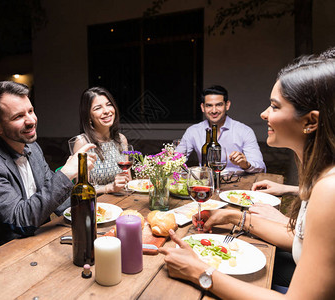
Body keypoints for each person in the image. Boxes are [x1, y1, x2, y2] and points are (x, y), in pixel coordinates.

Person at [159, 49, 335, 298]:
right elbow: (300, 240)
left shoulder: (329, 190)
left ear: (310, 122)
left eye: (274, 106)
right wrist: (234, 218)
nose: (263, 114)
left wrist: (199, 271)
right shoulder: (322, 178)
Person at [0, 81, 96, 261]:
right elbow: (19, 220)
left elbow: (57, 199)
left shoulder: (32, 148)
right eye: (18, 116)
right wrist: (66, 174)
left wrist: (87, 212)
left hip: (35, 240)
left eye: (31, 111)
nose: (31, 120)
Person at [175, 85, 266, 173]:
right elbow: (176, 161)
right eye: (209, 105)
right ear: (203, 107)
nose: (214, 110)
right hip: (205, 182)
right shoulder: (193, 131)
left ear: (227, 105)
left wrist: (245, 164)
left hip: (237, 183)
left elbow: (260, 166)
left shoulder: (244, 131)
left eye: (219, 105)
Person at [73, 86, 130, 194]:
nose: (106, 111)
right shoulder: (82, 142)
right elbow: (82, 189)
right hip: (96, 204)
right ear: (88, 116)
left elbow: (128, 181)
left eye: (109, 105)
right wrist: (108, 188)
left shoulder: (121, 139)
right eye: (98, 108)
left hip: (120, 202)